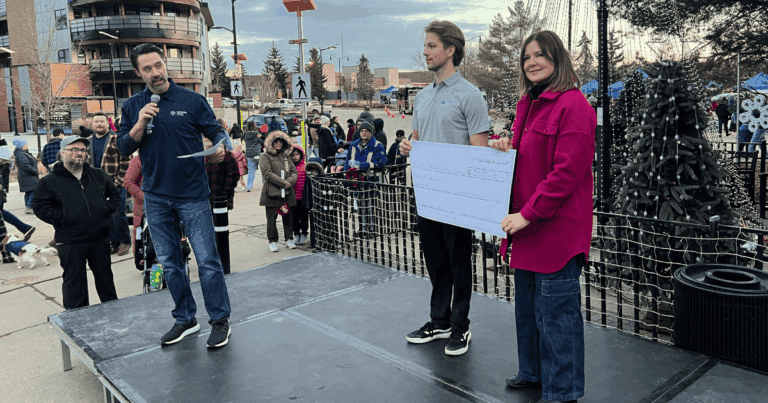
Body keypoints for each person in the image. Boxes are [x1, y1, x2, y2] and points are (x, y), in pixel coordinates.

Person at [489, 30, 593, 403]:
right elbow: (525, 162)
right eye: (526, 57)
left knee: (557, 318)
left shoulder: (575, 106)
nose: (531, 62)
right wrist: (505, 151)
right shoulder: (527, 106)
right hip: (527, 230)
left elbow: (566, 174)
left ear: (557, 58)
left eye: (540, 55)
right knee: (529, 312)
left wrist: (527, 214)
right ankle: (533, 372)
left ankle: (562, 392)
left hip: (555, 234)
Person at [116, 43, 232, 349]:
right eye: (147, 69)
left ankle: (220, 320)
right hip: (155, 197)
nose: (155, 73)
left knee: (208, 260)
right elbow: (124, 147)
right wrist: (141, 121)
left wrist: (221, 146)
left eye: (158, 65)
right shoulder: (132, 107)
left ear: (164, 63)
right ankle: (185, 319)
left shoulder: (192, 100)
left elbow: (218, 131)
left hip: (192, 195)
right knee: (169, 264)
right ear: (138, 73)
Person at [398, 20, 489, 356]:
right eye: (425, 46)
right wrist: (408, 146)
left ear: (451, 50)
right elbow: (417, 139)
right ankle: (440, 321)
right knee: (435, 260)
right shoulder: (421, 97)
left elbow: (480, 149)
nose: (425, 52)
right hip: (427, 192)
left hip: (458, 195)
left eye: (432, 46)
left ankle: (460, 327)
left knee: (458, 261)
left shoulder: (470, 95)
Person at [33, 136, 120, 310]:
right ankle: (76, 321)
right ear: (62, 152)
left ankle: (113, 313)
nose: (79, 153)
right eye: (74, 149)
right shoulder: (49, 181)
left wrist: (105, 209)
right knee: (75, 284)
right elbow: (40, 206)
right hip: (70, 240)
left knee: (106, 280)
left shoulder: (98, 174)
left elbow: (115, 194)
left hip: (99, 237)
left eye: (82, 150)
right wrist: (64, 218)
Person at [88, 112, 132, 256]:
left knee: (117, 214)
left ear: (108, 123)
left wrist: (118, 182)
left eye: (102, 121)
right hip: (96, 186)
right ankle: (113, 243)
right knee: (103, 216)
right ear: (91, 124)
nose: (99, 124)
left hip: (114, 185)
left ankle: (125, 240)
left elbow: (127, 161)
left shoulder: (117, 139)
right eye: (96, 121)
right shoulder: (88, 141)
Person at [344, 121, 387, 236]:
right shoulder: (353, 145)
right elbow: (347, 162)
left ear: (371, 132)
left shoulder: (378, 145)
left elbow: (381, 162)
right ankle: (362, 228)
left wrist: (362, 165)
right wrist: (346, 176)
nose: (364, 133)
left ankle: (371, 229)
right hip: (357, 180)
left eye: (366, 131)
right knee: (360, 204)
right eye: (362, 131)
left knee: (371, 205)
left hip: (371, 180)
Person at [259, 131, 297, 252]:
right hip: (272, 192)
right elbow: (267, 173)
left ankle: (289, 238)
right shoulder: (265, 156)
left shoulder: (287, 156)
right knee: (271, 218)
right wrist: (283, 183)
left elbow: (294, 172)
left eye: (281, 141)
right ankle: (273, 241)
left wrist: (289, 183)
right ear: (271, 142)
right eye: (276, 141)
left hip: (287, 192)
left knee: (288, 217)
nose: (279, 143)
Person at [203, 136, 239, 210]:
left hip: (220, 199)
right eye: (204, 137)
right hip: (200, 201)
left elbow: (233, 176)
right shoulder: (199, 155)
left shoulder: (226, 155)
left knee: (219, 220)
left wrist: (223, 194)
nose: (206, 139)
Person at [12, 139, 39, 214]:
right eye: (26, 144)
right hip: (28, 176)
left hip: (27, 176)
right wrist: (35, 171)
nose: (27, 145)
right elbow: (25, 166)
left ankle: (28, 206)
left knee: (29, 191)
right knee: (34, 189)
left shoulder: (23, 153)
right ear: (22, 146)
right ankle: (29, 205)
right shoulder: (21, 154)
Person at [290, 144, 309, 245]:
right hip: (293, 197)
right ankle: (296, 234)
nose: (295, 157)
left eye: (297, 154)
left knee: (304, 217)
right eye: (293, 155)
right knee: (294, 217)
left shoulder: (305, 167)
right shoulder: (289, 167)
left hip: (303, 197)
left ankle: (304, 234)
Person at [243, 121, 264, 192]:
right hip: (257, 154)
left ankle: (249, 187)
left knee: (251, 172)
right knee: (264, 170)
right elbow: (262, 141)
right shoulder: (257, 134)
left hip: (249, 155)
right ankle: (265, 186)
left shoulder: (245, 135)